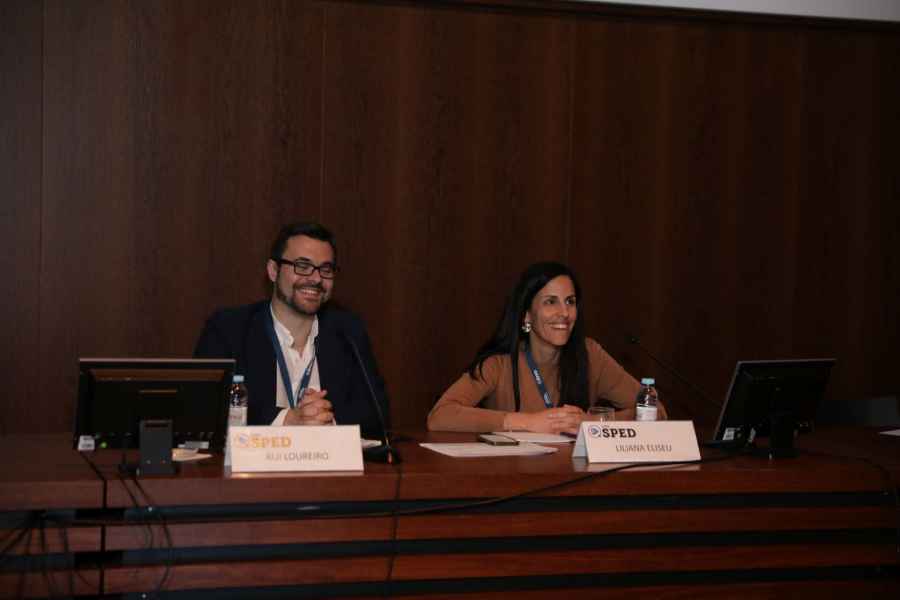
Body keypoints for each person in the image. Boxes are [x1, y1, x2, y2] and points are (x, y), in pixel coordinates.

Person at [194, 222, 389, 438]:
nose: (316, 279)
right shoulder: (229, 329)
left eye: (325, 269)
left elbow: (378, 414)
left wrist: (326, 420)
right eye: (302, 266)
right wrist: (288, 420)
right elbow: (202, 408)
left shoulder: (348, 331)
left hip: (327, 458)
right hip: (255, 459)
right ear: (273, 271)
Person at [427, 261, 666, 434]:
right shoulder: (499, 363)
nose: (564, 313)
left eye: (570, 302)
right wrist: (527, 422)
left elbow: (656, 411)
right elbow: (440, 416)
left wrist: (593, 422)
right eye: (550, 302)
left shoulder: (590, 354)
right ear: (527, 315)